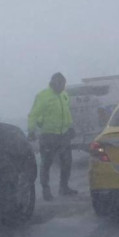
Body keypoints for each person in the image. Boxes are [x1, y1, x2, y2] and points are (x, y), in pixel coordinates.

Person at [28, 72, 78, 201]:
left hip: (64, 135)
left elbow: (66, 113)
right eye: (60, 84)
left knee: (67, 162)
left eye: (63, 84)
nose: (62, 86)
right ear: (53, 83)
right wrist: (31, 131)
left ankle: (64, 187)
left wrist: (71, 127)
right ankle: (46, 190)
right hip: (48, 135)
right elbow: (33, 114)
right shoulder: (43, 96)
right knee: (47, 164)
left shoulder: (64, 95)